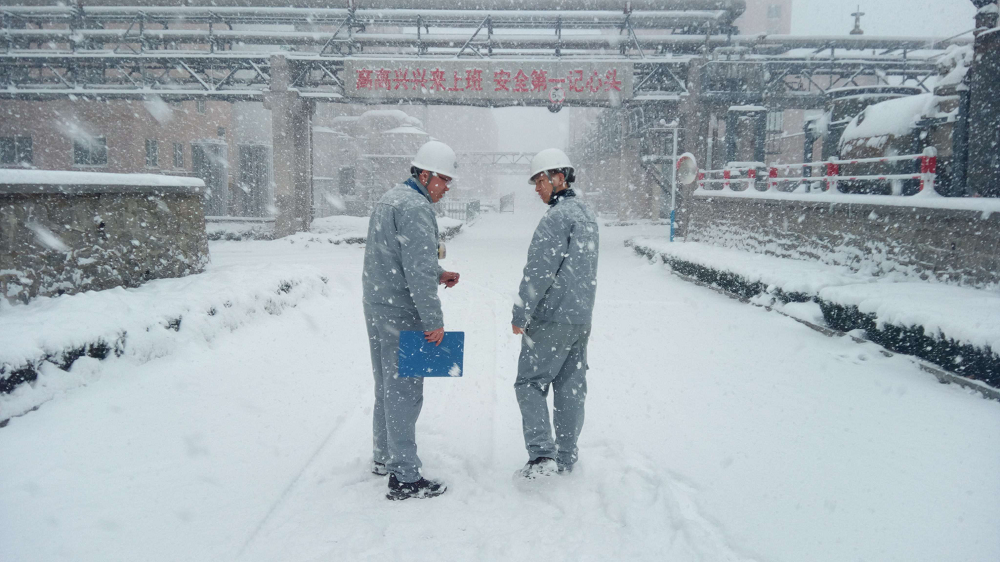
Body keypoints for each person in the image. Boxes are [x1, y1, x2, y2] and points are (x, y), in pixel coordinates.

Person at [362, 140, 461, 500]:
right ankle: (404, 478)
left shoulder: (390, 198)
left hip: (378, 305)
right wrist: (433, 320)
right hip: (402, 311)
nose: (447, 187)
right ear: (425, 174)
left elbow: (400, 258)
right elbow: (416, 271)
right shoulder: (417, 208)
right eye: (444, 180)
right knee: (405, 390)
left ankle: (384, 457)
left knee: (385, 386)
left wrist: (439, 272)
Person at [511, 148, 600, 479]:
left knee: (529, 383)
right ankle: (565, 455)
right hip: (580, 319)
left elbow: (538, 272)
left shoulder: (556, 218)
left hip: (551, 317)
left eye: (540, 181)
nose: (537, 189)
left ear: (559, 177)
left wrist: (521, 312)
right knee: (570, 386)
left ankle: (541, 457)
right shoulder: (587, 215)